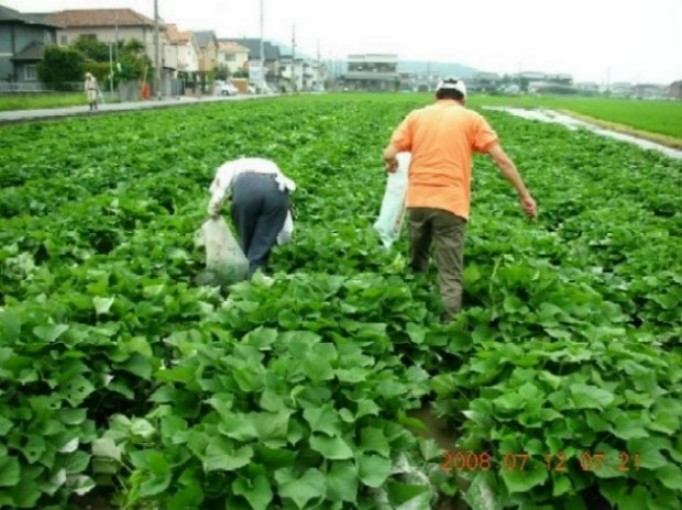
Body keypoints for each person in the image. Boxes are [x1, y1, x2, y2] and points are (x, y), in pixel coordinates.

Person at [382, 77, 538, 323]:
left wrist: (392, 164)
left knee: (416, 264)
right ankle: (448, 329)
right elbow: (502, 160)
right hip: (451, 205)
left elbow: (390, 152)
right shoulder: (471, 119)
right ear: (463, 99)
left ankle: (410, 318)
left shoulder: (416, 117)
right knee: (450, 274)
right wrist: (524, 195)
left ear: (436, 96)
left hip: (418, 202)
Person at [207, 157, 295, 278]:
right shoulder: (271, 166)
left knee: (247, 238)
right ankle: (257, 274)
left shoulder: (227, 167)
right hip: (278, 195)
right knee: (263, 242)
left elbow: (219, 189)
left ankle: (245, 278)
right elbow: (285, 223)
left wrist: (213, 209)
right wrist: (282, 239)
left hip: (248, 191)